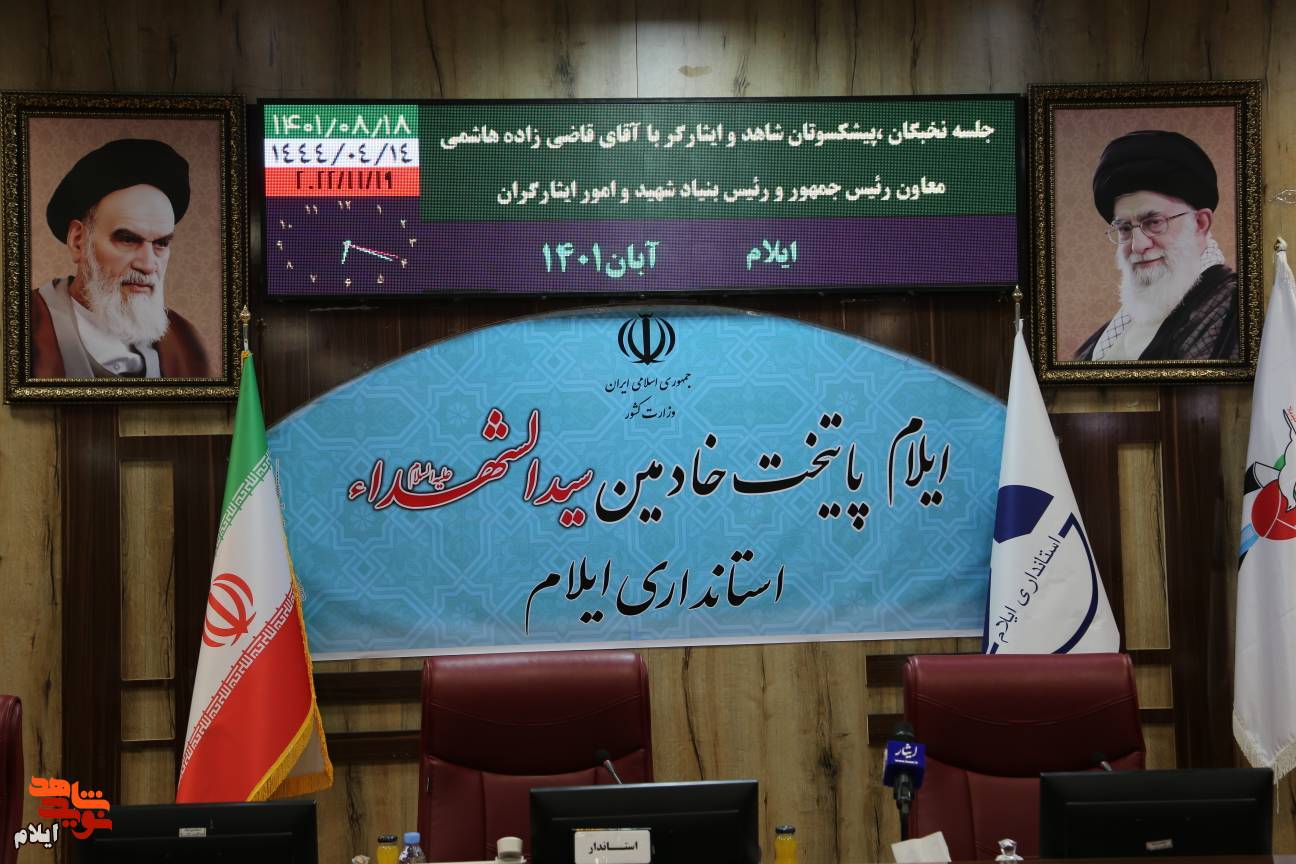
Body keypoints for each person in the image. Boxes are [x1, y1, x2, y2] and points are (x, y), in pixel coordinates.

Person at [31, 138, 208, 378]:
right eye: (127, 240)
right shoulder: (26, 325)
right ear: (78, 241)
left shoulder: (184, 340)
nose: (148, 265)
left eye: (161, 244)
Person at [1073, 129, 1238, 362]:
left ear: (1200, 223)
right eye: (1125, 228)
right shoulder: (1116, 328)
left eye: (1154, 222)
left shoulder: (1234, 310)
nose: (1138, 246)